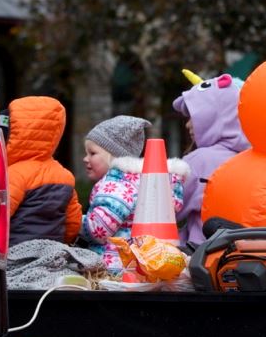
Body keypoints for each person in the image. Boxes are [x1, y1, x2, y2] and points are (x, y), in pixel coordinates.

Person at [80, 115, 187, 275]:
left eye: (92, 153)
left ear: (114, 156)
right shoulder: (149, 182)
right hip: (141, 267)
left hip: (112, 267)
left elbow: (99, 229)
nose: (85, 159)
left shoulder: (117, 183)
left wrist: (72, 219)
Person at [172, 71, 250, 248]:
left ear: (214, 115)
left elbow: (166, 210)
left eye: (194, 116)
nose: (187, 124)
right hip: (242, 256)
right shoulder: (254, 159)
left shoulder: (199, 161)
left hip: (199, 256)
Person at [5, 96, 82, 245]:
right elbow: (73, 223)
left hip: (17, 252)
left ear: (16, 132)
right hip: (53, 251)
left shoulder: (14, 174)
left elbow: (0, 218)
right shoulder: (64, 175)